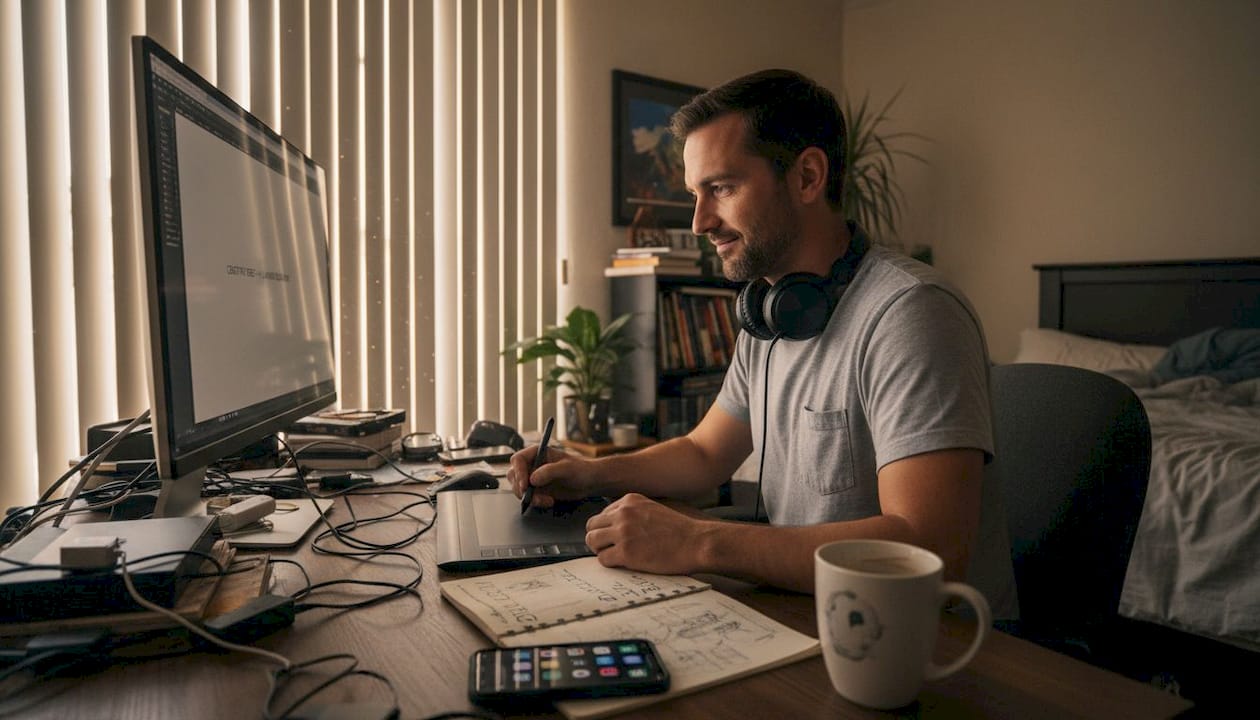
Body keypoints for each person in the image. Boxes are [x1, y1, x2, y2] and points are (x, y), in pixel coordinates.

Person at [509, 68, 1016, 618]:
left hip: (928, 648)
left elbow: (930, 545)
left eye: (721, 188)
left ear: (806, 178)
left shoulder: (911, 313)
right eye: (695, 194)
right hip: (810, 612)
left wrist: (699, 541)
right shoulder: (770, 315)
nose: (701, 221)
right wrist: (588, 471)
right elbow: (704, 455)